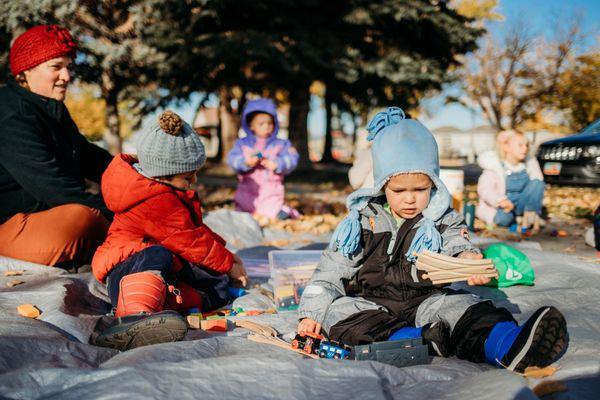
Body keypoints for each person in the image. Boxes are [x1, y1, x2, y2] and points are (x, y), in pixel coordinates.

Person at [297, 108, 567, 372]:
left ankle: (509, 345)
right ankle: (408, 342)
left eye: (421, 189)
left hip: (427, 301)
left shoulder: (441, 218)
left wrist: (468, 259)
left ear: (434, 184)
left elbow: (457, 243)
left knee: (466, 306)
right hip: (373, 302)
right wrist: (311, 313)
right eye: (399, 190)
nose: (410, 198)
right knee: (338, 312)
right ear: (381, 185)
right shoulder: (361, 221)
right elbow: (330, 271)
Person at [90, 111, 248, 350]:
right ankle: (134, 317)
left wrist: (225, 256)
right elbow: (190, 241)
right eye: (188, 175)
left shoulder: (164, 190)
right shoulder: (153, 199)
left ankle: (162, 311)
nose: (194, 179)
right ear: (162, 173)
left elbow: (194, 229)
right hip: (127, 271)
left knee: (216, 290)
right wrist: (229, 264)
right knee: (158, 254)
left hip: (160, 271)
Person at [0, 25, 113, 268]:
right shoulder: (9, 113)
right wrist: (118, 217)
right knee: (83, 219)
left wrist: (140, 177)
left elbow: (89, 156)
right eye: (56, 67)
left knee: (100, 214)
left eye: (68, 67)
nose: (67, 76)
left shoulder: (51, 109)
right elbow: (53, 186)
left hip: (45, 216)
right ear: (26, 71)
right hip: (11, 225)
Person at [227, 98, 299, 220]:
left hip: (271, 190)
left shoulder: (281, 144)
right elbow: (232, 159)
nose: (266, 127)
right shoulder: (242, 144)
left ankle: (282, 212)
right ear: (251, 125)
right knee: (242, 212)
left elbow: (292, 158)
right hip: (247, 189)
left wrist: (277, 164)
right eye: (261, 124)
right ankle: (244, 212)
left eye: (270, 123)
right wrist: (244, 162)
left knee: (274, 211)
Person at [477, 130, 545, 232]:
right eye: (520, 145)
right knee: (504, 219)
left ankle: (529, 216)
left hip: (522, 203)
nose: (525, 148)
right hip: (504, 204)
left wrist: (531, 160)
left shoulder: (528, 165)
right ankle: (514, 221)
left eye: (527, 145)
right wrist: (500, 201)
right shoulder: (494, 167)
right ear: (506, 147)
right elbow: (484, 190)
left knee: (538, 183)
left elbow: (537, 179)